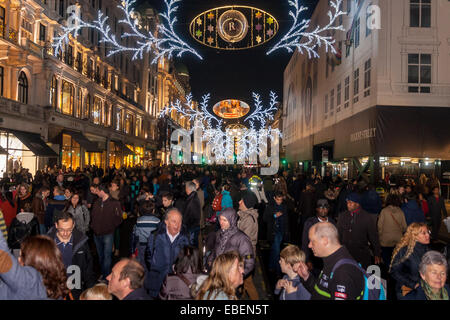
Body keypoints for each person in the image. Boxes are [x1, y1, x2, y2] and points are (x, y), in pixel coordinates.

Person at [296, 222, 365, 300]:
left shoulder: (343, 272)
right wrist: (307, 277)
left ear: (325, 240)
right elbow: (322, 293)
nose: (309, 245)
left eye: (312, 241)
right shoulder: (331, 261)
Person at [47, 210, 96, 299]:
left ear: (73, 226)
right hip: (53, 288)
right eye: (61, 230)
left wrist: (91, 290)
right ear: (56, 225)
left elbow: (88, 268)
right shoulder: (47, 243)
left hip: (75, 287)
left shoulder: (81, 242)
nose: (65, 233)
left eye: (69, 230)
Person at [145, 208, 190, 298]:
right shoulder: (155, 236)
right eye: (174, 221)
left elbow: (189, 258)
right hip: (156, 283)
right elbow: (148, 256)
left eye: (179, 222)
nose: (177, 225)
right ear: (166, 222)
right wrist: (156, 269)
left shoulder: (186, 238)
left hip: (176, 285)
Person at [337, 193, 381, 269]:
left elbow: (373, 236)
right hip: (345, 253)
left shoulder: (367, 217)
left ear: (357, 204)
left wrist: (377, 253)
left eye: (351, 202)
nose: (348, 204)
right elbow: (338, 234)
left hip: (361, 254)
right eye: (347, 202)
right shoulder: (342, 216)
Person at [207, 208, 255, 279]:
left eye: (224, 220)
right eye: (220, 219)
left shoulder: (242, 239)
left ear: (232, 221)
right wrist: (210, 261)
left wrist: (238, 276)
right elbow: (215, 250)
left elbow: (249, 262)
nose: (221, 222)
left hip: (230, 278)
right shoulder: (219, 233)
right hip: (218, 274)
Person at [90, 184, 123, 280]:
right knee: (101, 256)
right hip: (96, 233)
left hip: (108, 234)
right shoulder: (96, 202)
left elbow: (119, 218)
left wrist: (111, 227)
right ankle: (104, 273)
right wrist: (92, 226)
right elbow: (93, 215)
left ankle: (106, 277)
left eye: (97, 191)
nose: (96, 193)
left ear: (102, 191)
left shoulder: (114, 203)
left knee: (107, 256)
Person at [0, 231, 47, 299]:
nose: (18, 259)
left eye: (21, 256)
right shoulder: (50, 281)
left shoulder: (28, 280)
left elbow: (2, 257)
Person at [389, 222, 430, 299]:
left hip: (424, 291)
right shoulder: (404, 251)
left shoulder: (427, 249)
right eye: (424, 233)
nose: (428, 235)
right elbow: (394, 271)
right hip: (408, 292)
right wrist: (414, 285)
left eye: (428, 232)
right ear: (415, 236)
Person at [301, 199, 336, 275]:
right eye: (320, 207)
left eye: (325, 207)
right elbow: (305, 243)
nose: (323, 209)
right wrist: (307, 260)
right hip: (315, 261)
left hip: (329, 261)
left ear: (328, 209)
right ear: (317, 209)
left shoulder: (332, 223)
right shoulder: (310, 223)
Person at [237, 193, 259, 300]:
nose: (239, 202)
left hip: (246, 255)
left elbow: (243, 240)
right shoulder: (244, 216)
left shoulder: (249, 219)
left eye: (241, 200)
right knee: (244, 281)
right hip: (244, 254)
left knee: (248, 282)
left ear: (246, 203)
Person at [377, 194, 407, 268]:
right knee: (396, 258)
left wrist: (380, 235)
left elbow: (379, 226)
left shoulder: (384, 211)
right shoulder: (400, 211)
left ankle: (388, 271)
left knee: (386, 257)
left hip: (386, 239)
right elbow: (404, 227)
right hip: (398, 238)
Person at [130, 200, 160, 269]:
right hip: (153, 246)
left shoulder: (139, 221)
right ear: (153, 210)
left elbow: (134, 236)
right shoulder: (157, 221)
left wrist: (133, 250)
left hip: (142, 245)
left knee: (142, 265)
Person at [264, 191, 288, 274]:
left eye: (280, 200)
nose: (279, 201)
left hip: (281, 231)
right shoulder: (270, 207)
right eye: (278, 200)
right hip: (274, 232)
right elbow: (265, 218)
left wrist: (286, 231)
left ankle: (271, 266)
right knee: (277, 251)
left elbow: (286, 220)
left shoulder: (284, 207)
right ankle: (278, 271)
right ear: (274, 198)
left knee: (275, 249)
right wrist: (274, 216)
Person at [183, 181, 201, 247]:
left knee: (191, 246)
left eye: (185, 188)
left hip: (191, 227)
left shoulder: (191, 200)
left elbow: (187, 215)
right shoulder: (194, 196)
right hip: (194, 225)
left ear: (188, 189)